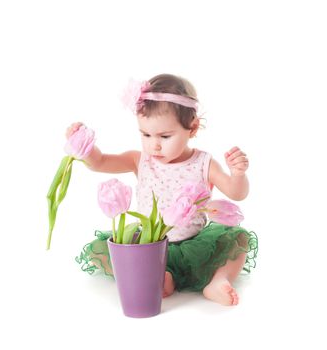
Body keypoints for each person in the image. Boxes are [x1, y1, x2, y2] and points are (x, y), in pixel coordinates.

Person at [70, 73, 258, 306]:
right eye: (145, 134)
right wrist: (83, 147)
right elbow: (100, 163)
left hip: (195, 244)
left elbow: (236, 193)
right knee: (114, 253)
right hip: (149, 247)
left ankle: (219, 281)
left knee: (238, 240)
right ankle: (161, 277)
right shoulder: (139, 160)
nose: (154, 144)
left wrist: (238, 175)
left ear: (192, 127)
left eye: (165, 136)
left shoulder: (203, 163)